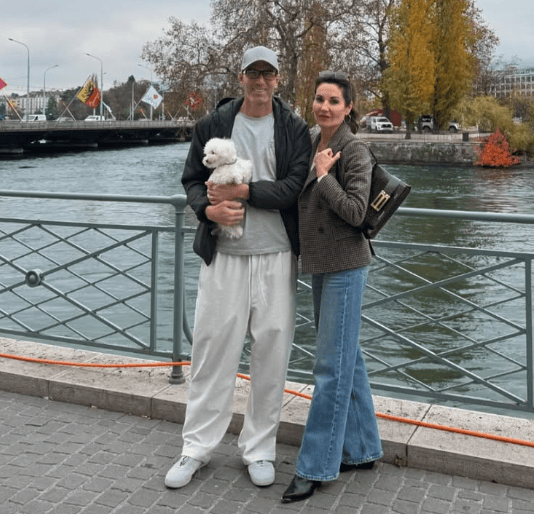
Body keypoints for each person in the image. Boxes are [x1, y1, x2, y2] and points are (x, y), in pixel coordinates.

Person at [166, 46, 311, 489]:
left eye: (268, 73)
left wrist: (243, 192)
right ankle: (196, 447)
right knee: (212, 352)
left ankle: (259, 449)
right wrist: (207, 212)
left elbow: (293, 188)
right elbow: (192, 180)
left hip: (277, 255)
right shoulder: (213, 124)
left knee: (272, 355)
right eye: (253, 72)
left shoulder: (294, 128)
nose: (260, 80)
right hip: (224, 256)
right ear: (241, 77)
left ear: (278, 79)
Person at [282, 71, 383, 503]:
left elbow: (357, 212)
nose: (324, 107)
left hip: (345, 264)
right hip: (320, 263)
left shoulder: (354, 149)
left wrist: (324, 177)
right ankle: (362, 448)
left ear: (348, 107)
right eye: (319, 99)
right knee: (346, 358)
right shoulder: (310, 140)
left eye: (334, 101)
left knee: (329, 369)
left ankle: (316, 465)